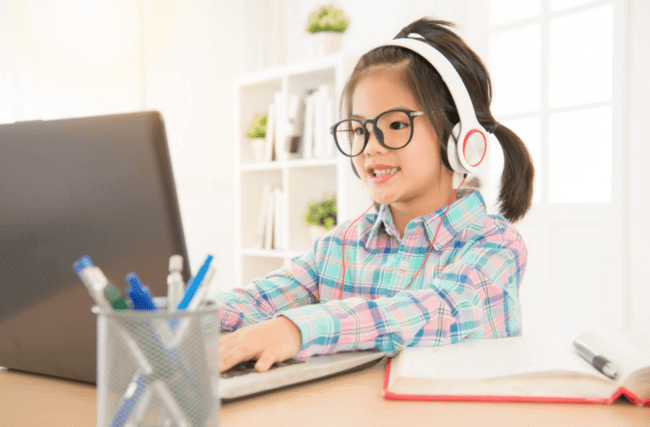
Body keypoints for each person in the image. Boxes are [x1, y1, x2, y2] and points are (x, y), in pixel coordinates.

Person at [217, 17, 534, 373]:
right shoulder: (342, 245)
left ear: (457, 136)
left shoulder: (495, 245)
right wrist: (178, 314)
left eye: (395, 125)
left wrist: (296, 328)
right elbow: (255, 301)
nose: (370, 147)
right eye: (358, 129)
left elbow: (439, 310)